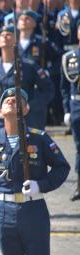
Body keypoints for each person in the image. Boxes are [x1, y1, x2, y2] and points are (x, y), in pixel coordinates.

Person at [0, 87, 70, 255]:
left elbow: (62, 168)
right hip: (3, 212)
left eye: (18, 101)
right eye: (8, 100)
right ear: (0, 110)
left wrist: (40, 185)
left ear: (26, 109)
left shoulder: (39, 137)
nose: (12, 102)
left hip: (33, 211)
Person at [0, 25, 54, 133]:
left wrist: (31, 105)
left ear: (17, 41)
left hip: (23, 120)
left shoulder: (29, 66)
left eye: (9, 35)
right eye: (2, 35)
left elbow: (48, 90)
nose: (5, 37)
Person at [61, 23, 80, 201]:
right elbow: (65, 88)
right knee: (79, 147)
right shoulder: (70, 58)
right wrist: (66, 110)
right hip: (77, 108)